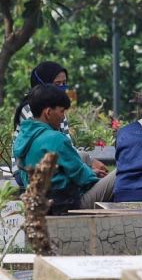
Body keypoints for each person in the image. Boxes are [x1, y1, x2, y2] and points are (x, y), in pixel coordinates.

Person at [12, 84, 115, 213]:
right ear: (48, 112)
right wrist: (98, 178)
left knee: (82, 155)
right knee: (118, 175)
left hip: (39, 202)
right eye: (62, 111)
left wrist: (90, 171)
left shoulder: (23, 135)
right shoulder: (56, 139)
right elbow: (84, 178)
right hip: (66, 206)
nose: (63, 117)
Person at [12, 61, 109, 186]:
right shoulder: (32, 109)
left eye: (64, 83)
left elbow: (66, 142)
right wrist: (90, 172)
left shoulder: (56, 109)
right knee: (108, 181)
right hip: (30, 171)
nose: (62, 88)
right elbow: (56, 145)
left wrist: (90, 162)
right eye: (57, 84)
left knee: (83, 156)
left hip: (49, 162)